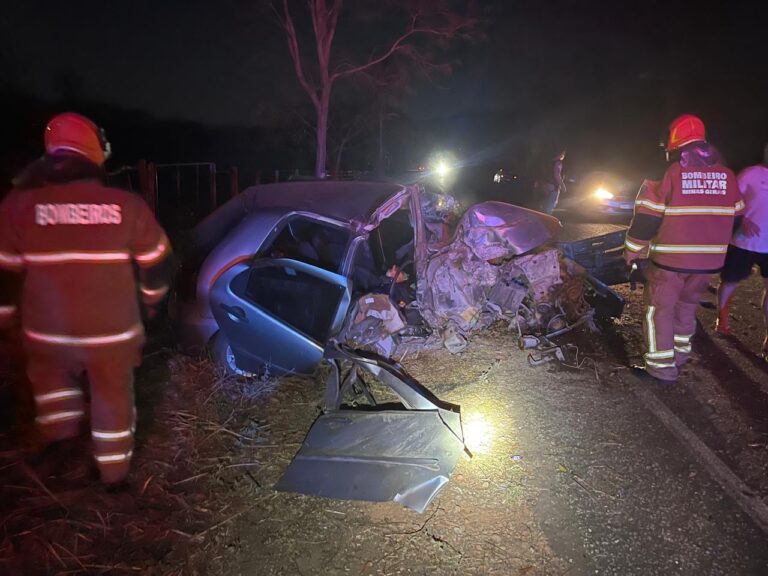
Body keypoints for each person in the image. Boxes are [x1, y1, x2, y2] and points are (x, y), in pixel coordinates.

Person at [0, 112, 174, 483]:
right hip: (112, 335)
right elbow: (158, 264)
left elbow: (5, 275)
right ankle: (112, 476)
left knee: (53, 389)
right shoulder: (126, 206)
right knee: (112, 397)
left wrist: (4, 320)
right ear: (95, 152)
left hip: (47, 333)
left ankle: (59, 448)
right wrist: (152, 303)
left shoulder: (16, 207)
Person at [623, 114, 746, 382]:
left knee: (659, 310)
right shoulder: (726, 175)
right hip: (707, 265)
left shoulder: (666, 173)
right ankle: (680, 355)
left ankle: (661, 368)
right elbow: (737, 217)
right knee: (687, 306)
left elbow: (647, 219)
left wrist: (632, 250)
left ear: (671, 142)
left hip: (670, 261)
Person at [716, 143, 768, 358]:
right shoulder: (751, 173)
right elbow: (730, 198)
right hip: (742, 242)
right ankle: (722, 319)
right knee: (730, 282)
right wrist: (743, 219)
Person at [538, 150, 566, 214]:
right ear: (561, 154)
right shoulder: (558, 163)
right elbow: (557, 174)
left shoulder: (549, 162)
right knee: (550, 206)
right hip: (553, 186)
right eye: (563, 154)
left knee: (544, 204)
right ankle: (547, 218)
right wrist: (562, 186)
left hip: (545, 185)